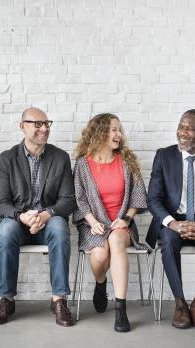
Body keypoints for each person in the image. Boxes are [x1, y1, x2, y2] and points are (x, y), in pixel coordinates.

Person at [0, 107, 76, 327]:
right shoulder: (7, 158)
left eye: (47, 123)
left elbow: (68, 199)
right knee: (6, 229)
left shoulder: (60, 157)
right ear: (22, 126)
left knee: (59, 227)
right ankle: (6, 299)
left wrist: (47, 214)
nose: (44, 128)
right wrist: (21, 217)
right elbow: (1, 203)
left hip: (48, 221)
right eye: (37, 124)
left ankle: (59, 300)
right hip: (19, 222)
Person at [146, 109, 195, 330]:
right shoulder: (164, 155)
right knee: (168, 241)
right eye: (181, 126)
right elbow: (153, 198)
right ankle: (180, 304)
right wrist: (172, 223)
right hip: (173, 219)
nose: (183, 132)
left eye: (189, 128)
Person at [73, 113, 148, 332]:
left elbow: (138, 196)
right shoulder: (82, 165)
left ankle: (120, 308)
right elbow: (79, 199)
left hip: (121, 224)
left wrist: (125, 219)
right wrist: (92, 220)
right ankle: (100, 283)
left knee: (115, 241)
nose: (118, 134)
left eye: (119, 130)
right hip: (93, 223)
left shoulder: (126, 161)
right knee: (100, 254)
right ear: (100, 133)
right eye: (113, 129)